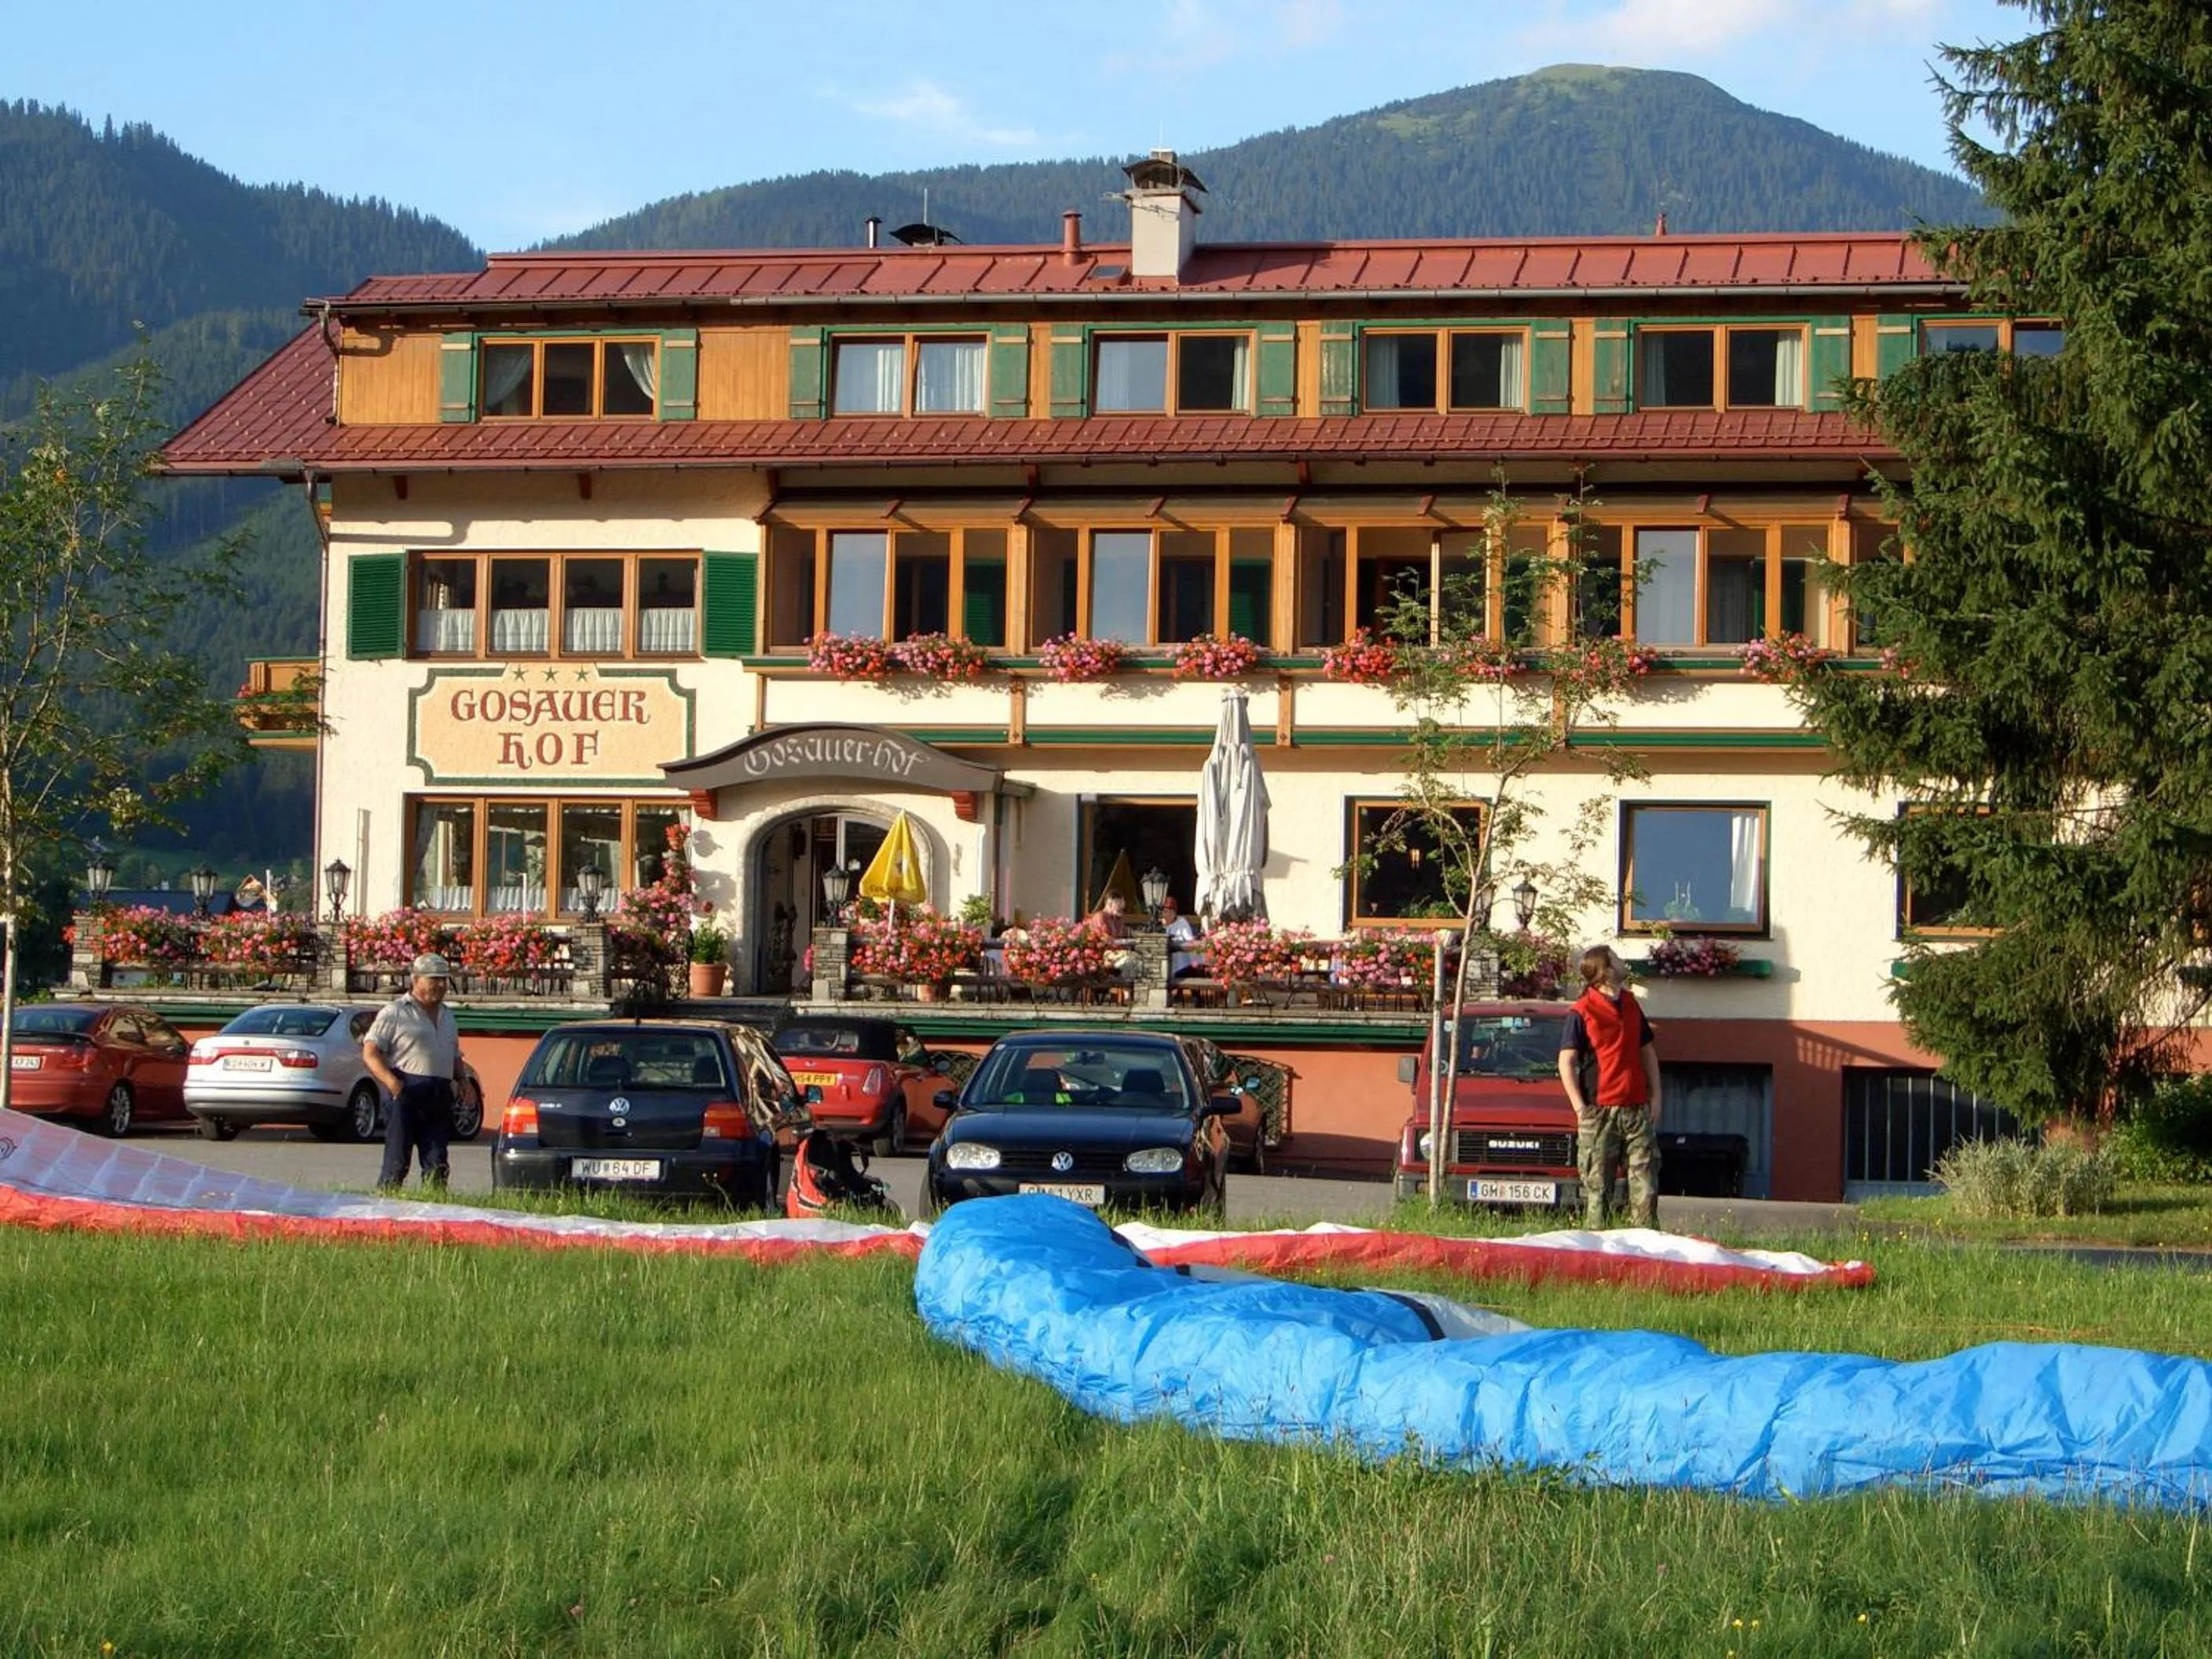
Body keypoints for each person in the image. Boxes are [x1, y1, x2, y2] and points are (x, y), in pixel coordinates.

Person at [1557, 944, 1663, 1230]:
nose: (1621, 960)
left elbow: (1647, 1051)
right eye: (1615, 957)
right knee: (1598, 1188)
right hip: (1600, 1111)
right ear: (1605, 970)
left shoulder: (1630, 1003)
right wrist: (1580, 1109)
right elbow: (1566, 1061)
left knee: (1646, 1184)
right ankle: (1596, 1251)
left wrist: (1656, 1097)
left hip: (1636, 1108)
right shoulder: (1581, 1011)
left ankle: (1645, 1245)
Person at [363, 953, 467, 1192]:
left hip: (439, 1092)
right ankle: (386, 1205)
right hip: (406, 1089)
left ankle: (435, 1209)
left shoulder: (448, 1016)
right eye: (434, 979)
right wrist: (392, 1083)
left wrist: (462, 1081)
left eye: (444, 980)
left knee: (437, 1160)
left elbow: (454, 1054)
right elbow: (371, 1052)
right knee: (397, 1159)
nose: (441, 986)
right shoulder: (395, 1012)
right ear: (416, 980)